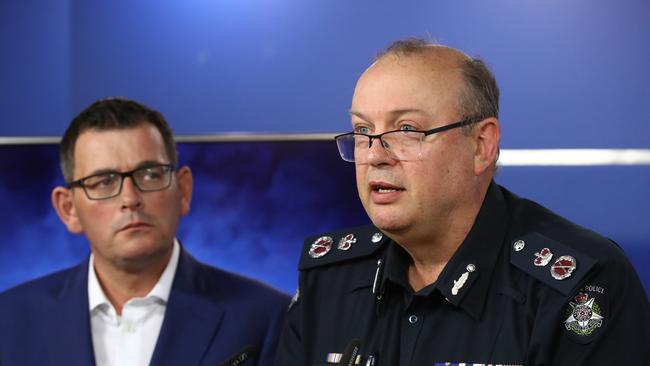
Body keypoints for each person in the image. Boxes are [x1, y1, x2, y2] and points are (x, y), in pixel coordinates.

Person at [276, 39, 650, 365]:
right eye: (362, 131)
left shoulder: (577, 285)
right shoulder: (327, 280)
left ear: (481, 145)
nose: (375, 155)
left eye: (406, 130)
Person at [0, 97, 290, 366]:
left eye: (150, 174)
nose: (130, 198)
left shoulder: (266, 316)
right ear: (68, 209)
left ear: (184, 190)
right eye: (103, 181)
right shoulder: (10, 320)